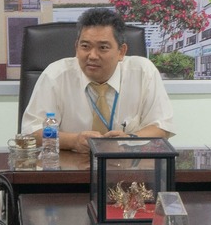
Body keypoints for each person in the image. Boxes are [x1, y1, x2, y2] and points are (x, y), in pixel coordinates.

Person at [20, 8, 174, 152]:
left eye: (103, 48)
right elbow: (31, 132)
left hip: (128, 168)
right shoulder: (55, 75)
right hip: (70, 170)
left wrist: (130, 139)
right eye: (85, 46)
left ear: (122, 51)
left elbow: (162, 126)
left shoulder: (143, 72)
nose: (92, 55)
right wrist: (73, 140)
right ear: (76, 47)